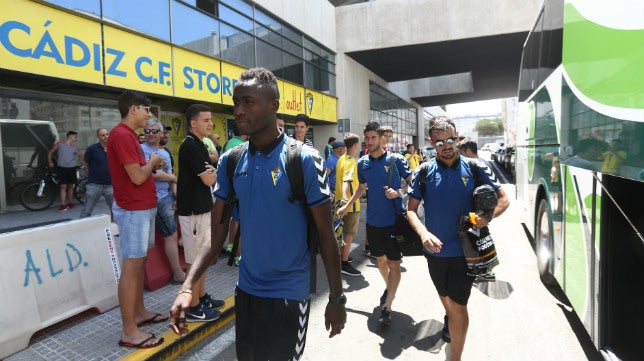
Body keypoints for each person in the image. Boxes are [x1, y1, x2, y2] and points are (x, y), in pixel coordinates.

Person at [169, 67, 346, 360]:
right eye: (236, 102)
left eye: (248, 102)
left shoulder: (302, 159)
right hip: (247, 291)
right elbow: (215, 236)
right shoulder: (230, 161)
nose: (239, 110)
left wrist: (337, 298)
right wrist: (187, 288)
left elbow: (327, 236)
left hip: (289, 293)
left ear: (273, 106)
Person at [406, 115, 509, 361]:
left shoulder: (475, 167)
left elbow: (504, 199)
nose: (446, 145)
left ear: (457, 137)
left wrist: (487, 217)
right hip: (434, 253)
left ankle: (456, 358)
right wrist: (424, 233)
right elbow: (410, 210)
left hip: (465, 253)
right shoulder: (423, 171)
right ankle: (449, 318)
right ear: (432, 142)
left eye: (450, 139)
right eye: (440, 141)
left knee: (459, 306)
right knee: (447, 301)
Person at [337, 121, 412, 325]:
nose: (369, 142)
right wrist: (347, 205)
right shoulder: (362, 163)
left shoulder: (396, 160)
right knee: (380, 261)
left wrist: (399, 193)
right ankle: (390, 289)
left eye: (373, 138)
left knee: (394, 263)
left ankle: (387, 305)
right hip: (374, 222)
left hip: (394, 221)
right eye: (367, 138)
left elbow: (412, 184)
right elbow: (361, 188)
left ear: (381, 138)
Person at [108, 90, 167, 349]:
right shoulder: (121, 135)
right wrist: (153, 161)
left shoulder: (129, 136)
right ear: (133, 109)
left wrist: (151, 164)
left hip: (141, 207)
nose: (148, 115)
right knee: (131, 268)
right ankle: (129, 331)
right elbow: (137, 177)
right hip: (133, 210)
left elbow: (138, 173)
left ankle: (140, 314)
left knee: (139, 263)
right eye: (146, 110)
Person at [176, 104, 224, 322]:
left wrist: (213, 173)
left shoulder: (201, 144)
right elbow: (209, 178)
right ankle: (192, 306)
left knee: (203, 258)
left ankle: (201, 297)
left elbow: (211, 173)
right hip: (193, 211)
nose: (210, 123)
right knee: (194, 262)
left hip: (203, 208)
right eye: (205, 120)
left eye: (210, 119)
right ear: (193, 123)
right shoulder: (190, 146)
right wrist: (215, 173)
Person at [141, 119, 185, 284]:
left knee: (172, 234)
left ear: (160, 134)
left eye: (154, 131)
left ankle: (178, 273)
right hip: (148, 200)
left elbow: (170, 179)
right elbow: (154, 175)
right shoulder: (140, 150)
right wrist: (171, 176)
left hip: (165, 197)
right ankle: (177, 273)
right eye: (147, 131)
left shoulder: (165, 153)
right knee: (166, 236)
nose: (150, 134)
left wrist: (177, 198)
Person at [456, 137, 499, 282]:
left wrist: (487, 217)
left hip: (477, 214)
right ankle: (481, 270)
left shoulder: (479, 166)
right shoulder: (478, 164)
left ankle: (485, 271)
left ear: (468, 151)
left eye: (460, 152)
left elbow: (501, 198)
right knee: (479, 242)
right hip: (476, 214)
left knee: (478, 243)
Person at [335, 133, 362, 276]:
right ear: (356, 145)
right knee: (348, 234)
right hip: (350, 205)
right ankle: (344, 263)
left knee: (342, 233)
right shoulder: (351, 161)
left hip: (340, 203)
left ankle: (342, 257)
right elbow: (347, 182)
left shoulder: (341, 159)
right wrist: (346, 203)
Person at [79, 128, 114, 219]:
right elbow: (86, 164)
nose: (106, 137)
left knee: (115, 210)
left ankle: (117, 229)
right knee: (86, 210)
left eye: (107, 134)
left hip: (110, 185)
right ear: (98, 137)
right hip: (94, 184)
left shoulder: (114, 148)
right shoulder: (92, 149)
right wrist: (93, 174)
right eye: (103, 135)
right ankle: (81, 229)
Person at [48, 130, 81, 212]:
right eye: (75, 137)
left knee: (70, 186)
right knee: (62, 186)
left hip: (72, 168)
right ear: (70, 136)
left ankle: (70, 202)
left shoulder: (74, 148)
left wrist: (76, 163)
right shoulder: (59, 144)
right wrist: (50, 162)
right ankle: (63, 204)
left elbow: (81, 156)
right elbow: (50, 153)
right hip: (61, 168)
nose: (76, 139)